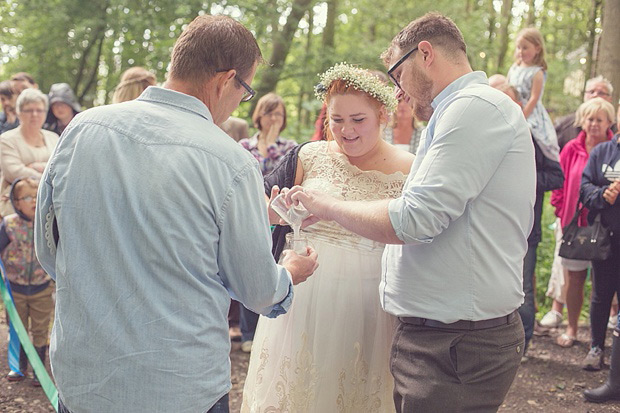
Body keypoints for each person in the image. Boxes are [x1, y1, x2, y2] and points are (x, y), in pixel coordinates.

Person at [34, 15, 318, 413]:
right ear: (226, 80)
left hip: (85, 379)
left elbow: (49, 251)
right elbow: (256, 289)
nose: (242, 101)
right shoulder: (229, 162)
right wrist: (288, 272)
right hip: (179, 386)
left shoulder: (82, 129)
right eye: (246, 90)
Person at [285, 13, 534, 411]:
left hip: (456, 344)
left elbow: (414, 220)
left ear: (425, 54)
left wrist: (327, 205)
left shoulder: (473, 109)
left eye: (397, 75)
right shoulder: (458, 111)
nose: (398, 91)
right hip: (441, 338)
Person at [242, 63, 412, 412]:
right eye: (337, 120)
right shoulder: (309, 155)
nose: (346, 130)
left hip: (369, 301)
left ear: (382, 114)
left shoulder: (409, 167)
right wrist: (276, 213)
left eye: (358, 119)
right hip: (304, 293)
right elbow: (257, 203)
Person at [494, 83, 564, 357]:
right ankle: (500, 345)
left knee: (522, 286)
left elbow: (557, 176)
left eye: (507, 101)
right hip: (492, 229)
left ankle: (523, 345)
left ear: (520, 107)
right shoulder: (484, 137)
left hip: (526, 229)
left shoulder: (534, 139)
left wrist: (526, 178)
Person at [550, 97, 615, 352]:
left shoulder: (613, 150)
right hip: (575, 225)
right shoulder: (570, 149)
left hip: (606, 226)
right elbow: (559, 182)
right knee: (574, 279)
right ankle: (572, 328)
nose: (594, 124)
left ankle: (603, 333)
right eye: (590, 119)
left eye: (600, 119)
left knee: (605, 282)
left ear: (610, 122)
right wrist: (560, 209)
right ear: (582, 121)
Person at [237, 92, 298, 353]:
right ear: (258, 116)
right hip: (250, 213)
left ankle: (271, 330)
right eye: (269, 113)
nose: (274, 118)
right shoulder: (244, 146)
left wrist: (273, 143)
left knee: (273, 267)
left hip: (280, 218)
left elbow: (279, 173)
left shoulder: (290, 147)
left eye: (279, 114)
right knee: (247, 267)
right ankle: (247, 332)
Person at [582, 111, 620, 403]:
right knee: (600, 296)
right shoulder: (603, 152)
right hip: (606, 240)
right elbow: (585, 188)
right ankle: (596, 348)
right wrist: (602, 194)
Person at [3, 177, 53, 387]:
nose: (33, 201)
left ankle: (38, 369)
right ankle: (19, 367)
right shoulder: (9, 225)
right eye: (27, 197)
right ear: (15, 200)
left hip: (41, 287)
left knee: (41, 329)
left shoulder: (47, 221)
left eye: (37, 195)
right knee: (17, 327)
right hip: (15, 289)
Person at [0, 88, 59, 217]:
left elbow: (61, 168)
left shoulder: (54, 138)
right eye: (29, 110)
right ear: (19, 112)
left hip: (49, 206)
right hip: (15, 210)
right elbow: (13, 172)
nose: (35, 114)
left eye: (39, 110)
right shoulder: (6, 139)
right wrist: (47, 174)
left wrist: (34, 167)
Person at [507, 27, 559, 163]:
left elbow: (534, 98)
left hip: (529, 112)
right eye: (518, 48)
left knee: (527, 133)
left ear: (537, 48)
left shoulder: (537, 73)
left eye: (525, 48)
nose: (520, 51)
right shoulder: (514, 68)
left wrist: (522, 117)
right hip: (512, 107)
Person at [554, 75, 616, 150]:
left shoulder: (617, 128)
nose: (595, 95)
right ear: (584, 96)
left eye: (601, 93)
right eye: (591, 92)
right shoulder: (564, 125)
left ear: (610, 99)